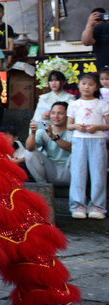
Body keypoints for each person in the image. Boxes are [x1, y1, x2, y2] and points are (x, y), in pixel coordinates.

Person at [66, 73, 109, 219]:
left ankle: (98, 206)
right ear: (78, 85)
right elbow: (69, 125)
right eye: (83, 83)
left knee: (98, 173)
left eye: (91, 84)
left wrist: (97, 127)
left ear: (96, 87)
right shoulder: (74, 104)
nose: (86, 87)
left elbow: (108, 125)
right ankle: (77, 205)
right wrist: (76, 126)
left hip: (98, 140)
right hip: (79, 140)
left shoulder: (102, 104)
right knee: (78, 172)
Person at [25, 101, 73, 187]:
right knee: (29, 153)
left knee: (79, 153)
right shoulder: (44, 130)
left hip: (70, 172)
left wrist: (53, 136)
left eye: (60, 113)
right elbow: (29, 148)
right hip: (50, 170)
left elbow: (73, 149)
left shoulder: (72, 131)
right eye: (53, 113)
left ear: (67, 115)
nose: (56, 116)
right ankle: (42, 186)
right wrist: (33, 133)